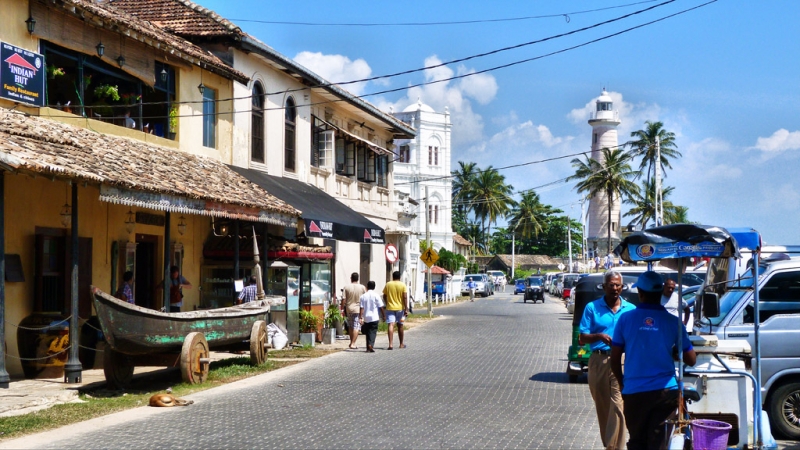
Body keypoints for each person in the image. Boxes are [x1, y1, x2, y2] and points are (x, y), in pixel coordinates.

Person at [611, 271, 697, 450]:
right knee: (659, 443)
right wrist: (672, 350)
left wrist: (622, 384)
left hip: (634, 392)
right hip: (665, 393)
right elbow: (691, 359)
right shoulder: (674, 322)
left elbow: (615, 357)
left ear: (640, 293)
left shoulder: (625, 319)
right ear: (661, 294)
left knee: (637, 440)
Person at [579, 270, 636, 450]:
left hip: (621, 361)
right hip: (599, 361)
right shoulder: (592, 308)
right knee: (603, 407)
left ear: (622, 287)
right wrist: (598, 336)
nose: (614, 288)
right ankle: (609, 444)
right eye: (611, 285)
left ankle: (615, 448)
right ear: (604, 287)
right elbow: (582, 337)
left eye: (618, 285)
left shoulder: (631, 310)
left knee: (618, 405)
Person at [382, 270, 408, 349]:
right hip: (400, 308)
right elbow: (405, 297)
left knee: (391, 324)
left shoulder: (388, 284)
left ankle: (390, 344)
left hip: (390, 308)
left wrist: (387, 303)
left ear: (392, 277)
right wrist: (406, 308)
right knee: (400, 325)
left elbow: (384, 295)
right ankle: (401, 344)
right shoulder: (403, 285)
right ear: (399, 277)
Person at [358, 281, 385, 353]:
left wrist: (360, 317)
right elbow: (381, 307)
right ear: (374, 287)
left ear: (367, 286)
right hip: (374, 317)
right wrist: (384, 316)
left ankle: (367, 348)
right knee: (373, 332)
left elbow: (361, 307)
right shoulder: (376, 295)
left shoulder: (363, 296)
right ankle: (371, 345)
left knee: (367, 333)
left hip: (366, 317)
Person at [342, 272, 366, 349]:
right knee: (356, 326)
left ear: (351, 278)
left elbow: (343, 299)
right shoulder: (362, 287)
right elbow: (365, 298)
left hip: (349, 308)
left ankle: (351, 342)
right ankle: (353, 343)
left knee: (350, 325)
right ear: (358, 278)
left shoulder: (346, 287)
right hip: (358, 309)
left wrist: (342, 308)